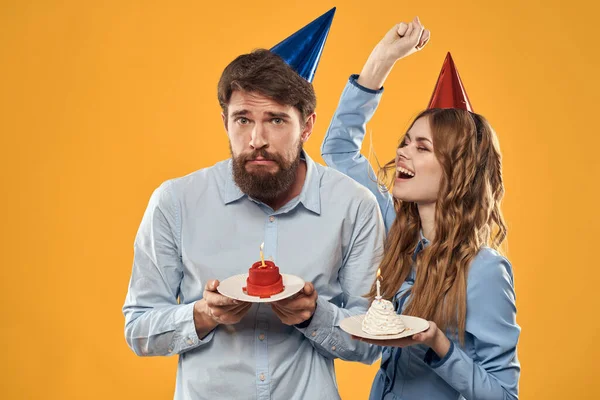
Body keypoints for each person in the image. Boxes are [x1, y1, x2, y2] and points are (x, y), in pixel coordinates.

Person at [123, 8, 384, 400]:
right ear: (224, 120)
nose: (257, 139)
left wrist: (315, 316)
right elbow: (138, 329)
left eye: (276, 120)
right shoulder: (175, 202)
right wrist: (202, 315)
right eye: (242, 119)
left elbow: (370, 341)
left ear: (308, 125)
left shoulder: (354, 206)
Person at [321, 16, 520, 400]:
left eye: (421, 147)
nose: (401, 152)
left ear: (457, 172)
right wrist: (383, 59)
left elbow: (504, 395)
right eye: (406, 141)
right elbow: (339, 150)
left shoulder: (484, 271)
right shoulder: (398, 228)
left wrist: (438, 345)